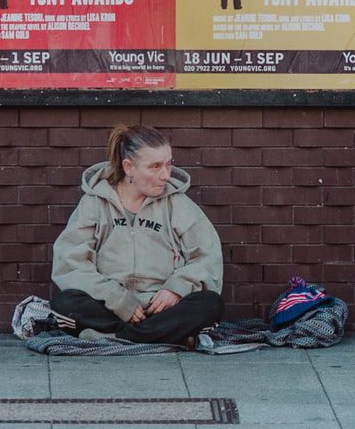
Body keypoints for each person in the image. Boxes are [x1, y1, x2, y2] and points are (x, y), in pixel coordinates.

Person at [48, 123, 225, 346]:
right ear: (129, 167)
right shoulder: (94, 204)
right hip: (110, 308)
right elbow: (70, 263)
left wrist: (176, 289)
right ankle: (162, 336)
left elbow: (207, 257)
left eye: (169, 164)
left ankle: (118, 337)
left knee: (210, 304)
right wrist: (118, 300)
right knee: (64, 303)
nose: (165, 175)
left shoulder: (178, 204)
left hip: (163, 309)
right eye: (155, 166)